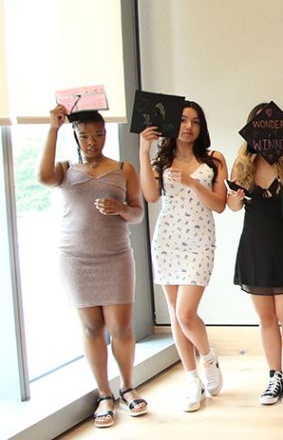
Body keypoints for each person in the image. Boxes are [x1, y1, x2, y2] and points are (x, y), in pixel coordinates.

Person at [38, 106, 147, 428]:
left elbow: (139, 213)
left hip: (115, 256)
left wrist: (121, 208)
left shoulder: (123, 168)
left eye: (97, 134)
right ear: (75, 136)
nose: (92, 141)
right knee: (91, 328)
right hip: (75, 258)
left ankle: (128, 386)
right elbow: (42, 178)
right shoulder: (64, 168)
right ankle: (104, 394)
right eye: (84, 135)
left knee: (121, 329)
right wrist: (52, 129)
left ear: (105, 134)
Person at [139, 101, 227, 412]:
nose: (188, 126)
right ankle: (192, 380)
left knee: (185, 314)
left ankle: (207, 357)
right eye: (183, 120)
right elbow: (150, 196)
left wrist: (191, 181)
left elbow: (218, 204)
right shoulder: (161, 161)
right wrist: (143, 150)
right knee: (175, 314)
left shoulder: (214, 159)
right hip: (167, 241)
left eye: (195, 121)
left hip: (200, 241)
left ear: (202, 127)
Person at [227, 103, 283, 406]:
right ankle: (273, 375)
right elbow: (234, 206)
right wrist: (235, 197)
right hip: (255, 245)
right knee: (266, 318)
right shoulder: (242, 163)